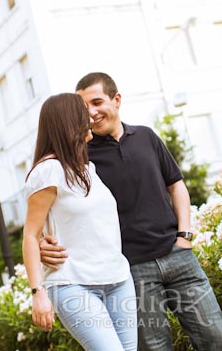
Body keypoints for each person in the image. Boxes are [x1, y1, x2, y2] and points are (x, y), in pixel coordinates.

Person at [40, 72, 222, 350]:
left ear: (116, 100)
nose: (91, 113)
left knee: (213, 335)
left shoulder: (146, 136)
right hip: (131, 269)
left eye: (97, 102)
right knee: (155, 347)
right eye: (83, 108)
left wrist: (184, 236)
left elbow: (176, 185)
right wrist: (43, 241)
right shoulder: (82, 157)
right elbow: (53, 203)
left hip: (178, 257)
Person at [23, 93, 137, 350]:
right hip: (73, 284)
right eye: (82, 112)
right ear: (68, 121)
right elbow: (30, 234)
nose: (89, 117)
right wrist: (37, 292)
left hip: (118, 278)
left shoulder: (88, 170)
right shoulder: (48, 170)